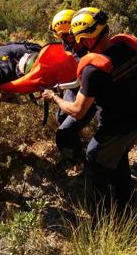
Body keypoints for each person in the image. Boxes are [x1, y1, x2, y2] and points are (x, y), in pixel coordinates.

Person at [42, 7, 137, 211]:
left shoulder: (93, 70)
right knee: (118, 161)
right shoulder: (128, 50)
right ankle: (127, 209)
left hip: (112, 131)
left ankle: (101, 219)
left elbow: (77, 110)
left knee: (95, 168)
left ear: (87, 39)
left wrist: (53, 97)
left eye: (79, 39)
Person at [50, 9, 96, 170]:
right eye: (64, 36)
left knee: (63, 132)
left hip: (88, 97)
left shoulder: (87, 54)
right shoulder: (69, 47)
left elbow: (79, 82)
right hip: (75, 90)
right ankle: (77, 150)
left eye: (68, 35)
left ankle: (76, 160)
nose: (67, 39)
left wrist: (55, 92)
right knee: (61, 117)